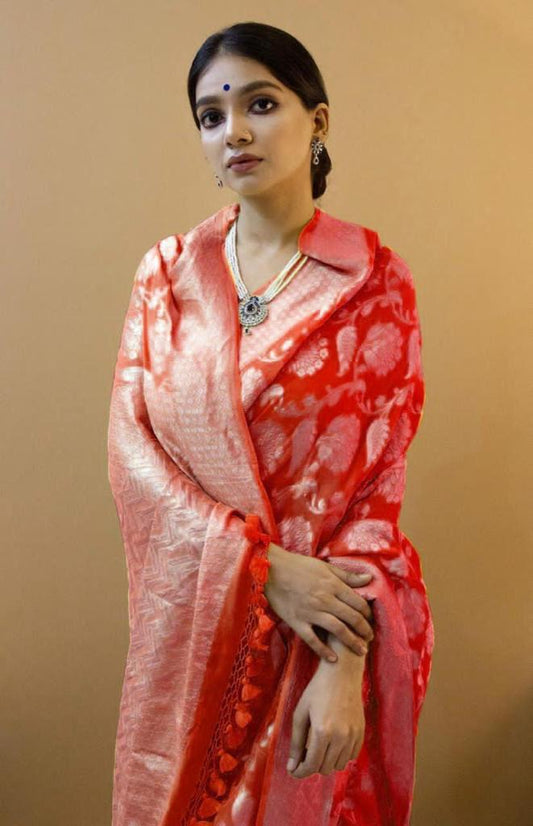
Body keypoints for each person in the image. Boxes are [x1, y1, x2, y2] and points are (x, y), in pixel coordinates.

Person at [106, 20, 434, 826]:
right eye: (210, 116)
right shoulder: (167, 277)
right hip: (197, 637)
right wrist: (259, 569)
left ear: (315, 120)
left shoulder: (372, 283)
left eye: (259, 103)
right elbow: (133, 456)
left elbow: (375, 492)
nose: (234, 132)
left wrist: (343, 667)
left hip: (315, 640)